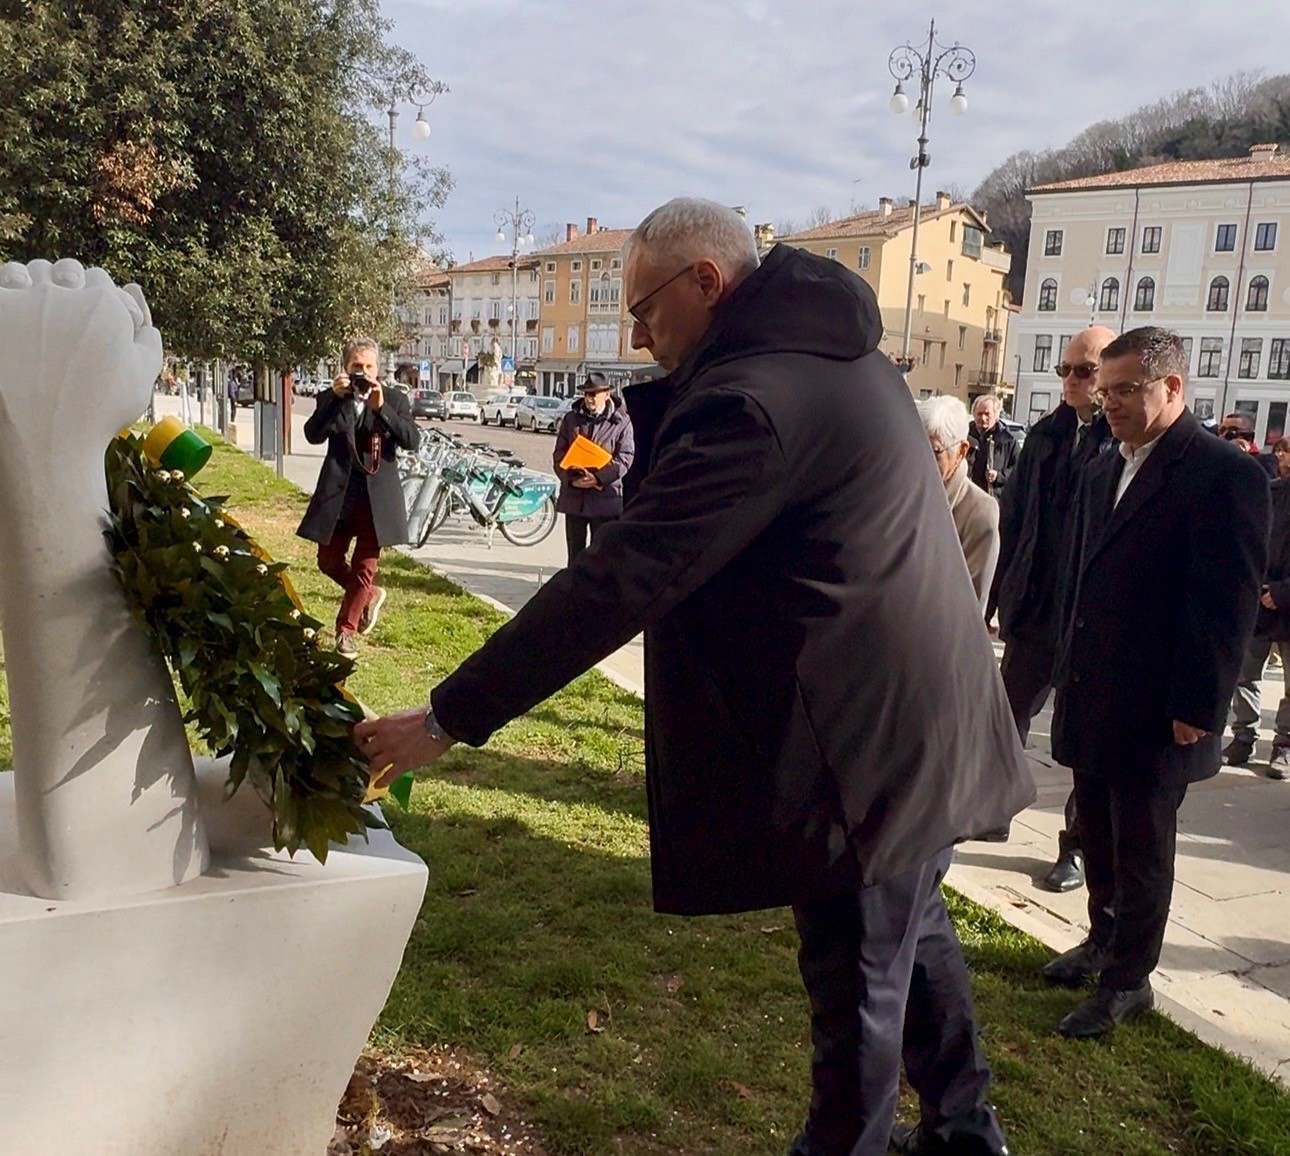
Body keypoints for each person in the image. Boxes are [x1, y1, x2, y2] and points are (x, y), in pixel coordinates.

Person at [356, 198, 1032, 1156]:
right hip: (919, 718)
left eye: (644, 311)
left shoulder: (757, 399)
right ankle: (968, 1128)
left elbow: (623, 580)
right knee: (912, 932)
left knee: (858, 986)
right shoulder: (843, 353)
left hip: (866, 744)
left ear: (708, 283)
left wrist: (448, 717)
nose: (635, 336)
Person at [1042, 326, 1269, 1039]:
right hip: (1093, 685)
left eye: (1123, 390)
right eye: (1101, 390)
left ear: (1172, 387)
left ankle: (1128, 979)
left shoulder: (1221, 473)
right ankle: (1101, 941)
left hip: (1158, 703)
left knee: (1142, 846)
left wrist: (1197, 705)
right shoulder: (1104, 464)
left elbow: (1224, 601)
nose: (1106, 403)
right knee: (1096, 833)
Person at [992, 326, 1118, 885]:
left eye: (1083, 371)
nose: (1070, 380)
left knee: (1085, 738)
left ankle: (1077, 847)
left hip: (1089, 615)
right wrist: (999, 597)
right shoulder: (1044, 435)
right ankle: (994, 806)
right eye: (1065, 370)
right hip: (1037, 606)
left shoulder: (1118, 442)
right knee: (1003, 711)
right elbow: (1014, 522)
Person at [296, 337, 420, 659]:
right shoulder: (333, 397)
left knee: (365, 567)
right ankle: (368, 596)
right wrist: (333, 399)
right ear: (345, 369)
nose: (363, 373)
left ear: (378, 369)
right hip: (339, 495)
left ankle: (345, 632)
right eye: (356, 367)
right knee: (328, 561)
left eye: (368, 367)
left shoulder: (393, 398)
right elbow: (312, 434)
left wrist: (383, 410)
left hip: (377, 500)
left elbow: (412, 440)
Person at [1222, 436, 1290, 778]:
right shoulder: (1271, 492)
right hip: (1259, 602)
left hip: (1286, 603)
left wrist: (1282, 591)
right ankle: (1243, 736)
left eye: (1286, 451)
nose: (1281, 457)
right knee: (1246, 675)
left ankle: (1284, 745)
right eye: (1279, 451)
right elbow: (1252, 539)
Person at [916, 395, 999, 612]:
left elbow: (969, 607)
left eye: (934, 452)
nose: (921, 460)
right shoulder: (902, 493)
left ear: (961, 451)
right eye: (916, 447)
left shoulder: (980, 512)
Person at [552, 371, 635, 565]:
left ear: (606, 394)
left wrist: (598, 478)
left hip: (605, 500)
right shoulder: (571, 420)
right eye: (586, 393)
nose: (589, 398)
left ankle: (598, 593)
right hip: (575, 498)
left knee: (602, 556)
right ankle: (574, 592)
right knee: (575, 555)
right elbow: (559, 455)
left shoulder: (622, 422)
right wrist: (571, 479)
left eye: (594, 394)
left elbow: (625, 457)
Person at [967, 395, 1018, 500]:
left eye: (987, 414)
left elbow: (1019, 468)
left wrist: (999, 476)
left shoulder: (1007, 440)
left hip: (994, 500)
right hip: (968, 499)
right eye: (979, 414)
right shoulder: (964, 435)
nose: (983, 418)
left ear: (996, 415)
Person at [1217, 412, 1278, 477]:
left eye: (1232, 432)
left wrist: (1240, 456)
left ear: (1248, 437)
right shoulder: (1215, 458)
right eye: (1221, 431)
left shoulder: (1265, 461)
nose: (1223, 435)